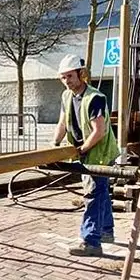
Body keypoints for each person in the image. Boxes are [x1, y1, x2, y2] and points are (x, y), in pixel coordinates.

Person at [52, 54, 120, 257]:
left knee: (93, 195)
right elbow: (63, 123)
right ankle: (106, 232)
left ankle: (91, 241)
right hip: (84, 151)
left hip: (98, 153)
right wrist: (53, 146)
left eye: (70, 76)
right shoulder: (66, 96)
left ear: (81, 74)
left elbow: (99, 131)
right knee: (101, 192)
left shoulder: (95, 98)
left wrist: (81, 149)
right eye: (63, 77)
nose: (67, 81)